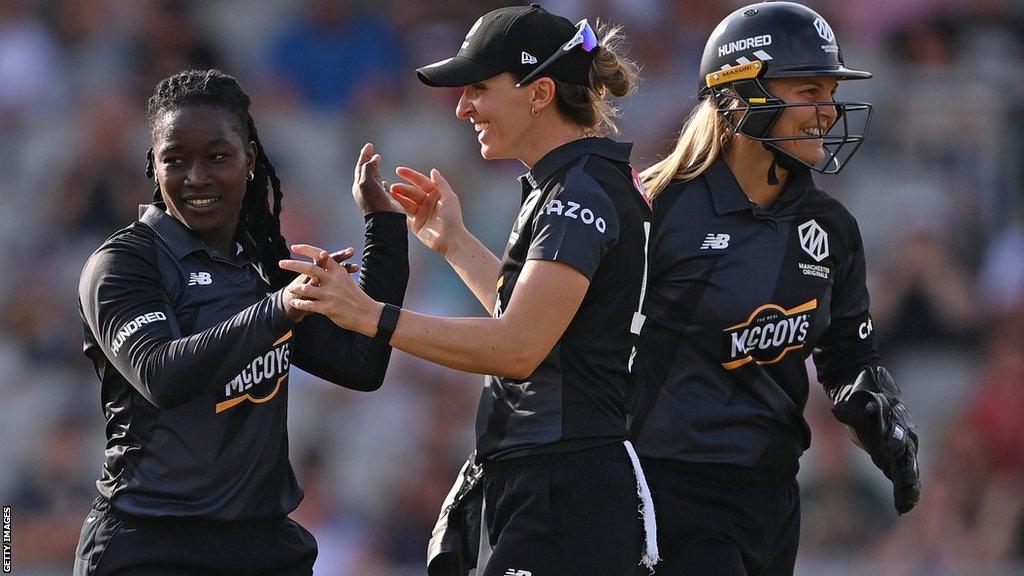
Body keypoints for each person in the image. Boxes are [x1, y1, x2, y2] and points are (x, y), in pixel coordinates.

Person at [279, 5, 658, 574]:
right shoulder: (576, 185)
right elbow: (542, 328)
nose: (462, 107)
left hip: (566, 487)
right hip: (555, 478)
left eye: (479, 86)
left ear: (540, 91)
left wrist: (370, 315)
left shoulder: (578, 194)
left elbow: (519, 347)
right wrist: (452, 241)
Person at [74, 69, 408, 576]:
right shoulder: (124, 263)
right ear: (153, 166)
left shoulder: (263, 266)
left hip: (261, 546)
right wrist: (281, 308)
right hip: (151, 544)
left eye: (217, 156)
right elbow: (161, 375)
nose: (197, 177)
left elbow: (362, 367)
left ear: (250, 160)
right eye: (175, 160)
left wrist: (384, 229)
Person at [628, 3, 922, 575]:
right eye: (809, 90)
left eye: (831, 92)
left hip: (772, 493)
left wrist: (880, 418)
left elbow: (848, 354)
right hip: (666, 490)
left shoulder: (833, 228)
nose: (829, 112)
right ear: (738, 96)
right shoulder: (653, 210)